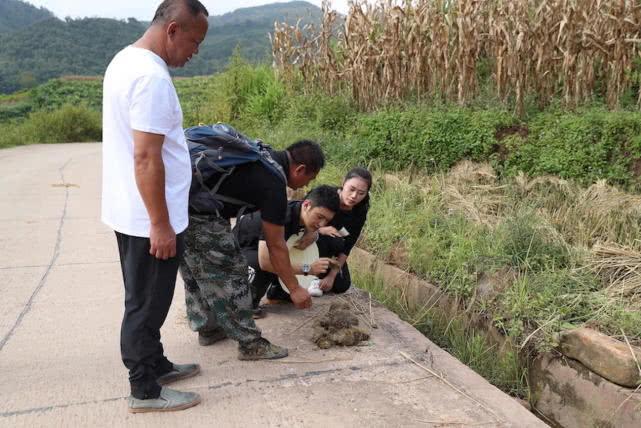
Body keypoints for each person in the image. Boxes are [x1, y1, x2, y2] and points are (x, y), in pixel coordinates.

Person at [101, 0, 208, 413]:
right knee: (145, 305)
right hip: (148, 218)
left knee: (145, 297)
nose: (194, 53)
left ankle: (156, 363)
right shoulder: (151, 79)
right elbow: (146, 158)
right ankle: (144, 390)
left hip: (132, 211)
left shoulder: (125, 61)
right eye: (194, 43)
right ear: (173, 30)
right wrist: (160, 225)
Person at [179, 139, 325, 358]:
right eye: (308, 179)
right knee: (234, 275)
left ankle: (208, 328)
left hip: (177, 207)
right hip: (201, 216)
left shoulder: (261, 153)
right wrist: (295, 288)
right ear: (300, 169)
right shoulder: (275, 183)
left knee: (196, 272)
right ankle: (250, 344)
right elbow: (275, 246)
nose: (304, 186)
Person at [233, 185, 341, 310]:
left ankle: (278, 292)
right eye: (319, 217)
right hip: (240, 248)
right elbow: (266, 262)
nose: (322, 224)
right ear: (306, 205)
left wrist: (314, 233)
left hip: (266, 248)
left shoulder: (302, 214)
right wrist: (308, 268)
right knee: (264, 269)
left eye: (326, 220)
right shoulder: (281, 216)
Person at [315, 167, 373, 294]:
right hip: (310, 242)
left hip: (333, 252)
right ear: (343, 183)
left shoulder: (360, 210)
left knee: (342, 285)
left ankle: (321, 275)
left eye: (361, 193)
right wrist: (320, 230)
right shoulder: (325, 195)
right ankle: (310, 273)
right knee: (333, 240)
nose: (354, 196)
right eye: (351, 189)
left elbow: (348, 244)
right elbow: (300, 220)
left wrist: (332, 275)